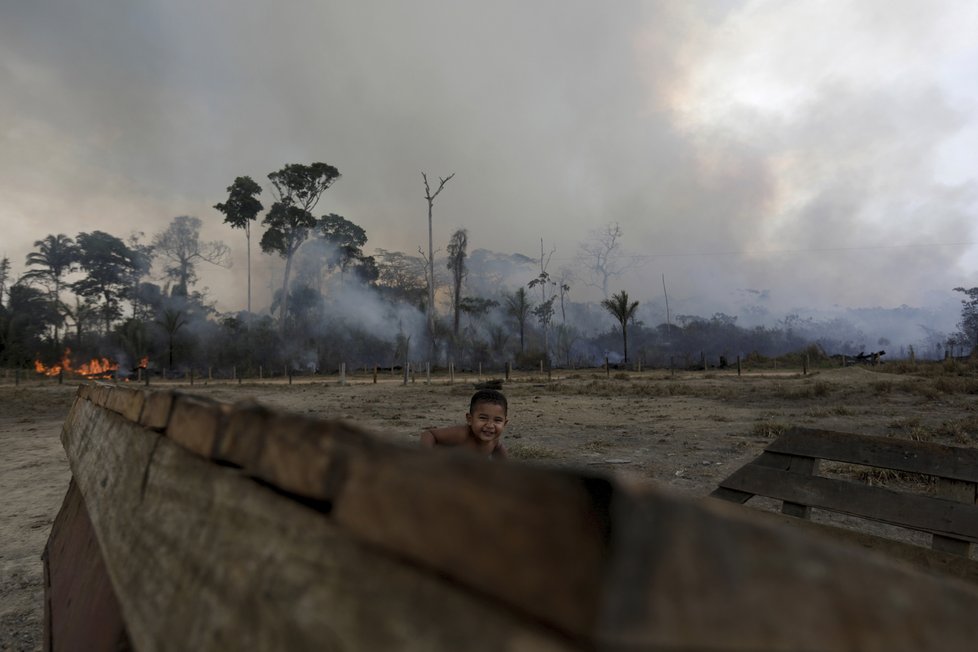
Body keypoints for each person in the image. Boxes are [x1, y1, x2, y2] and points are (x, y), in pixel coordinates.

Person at [420, 389, 509, 459]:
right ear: (470, 419)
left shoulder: (494, 442)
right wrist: (427, 457)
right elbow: (428, 434)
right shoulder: (462, 434)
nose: (490, 425)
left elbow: (503, 460)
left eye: (497, 420)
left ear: (504, 423)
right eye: (483, 418)